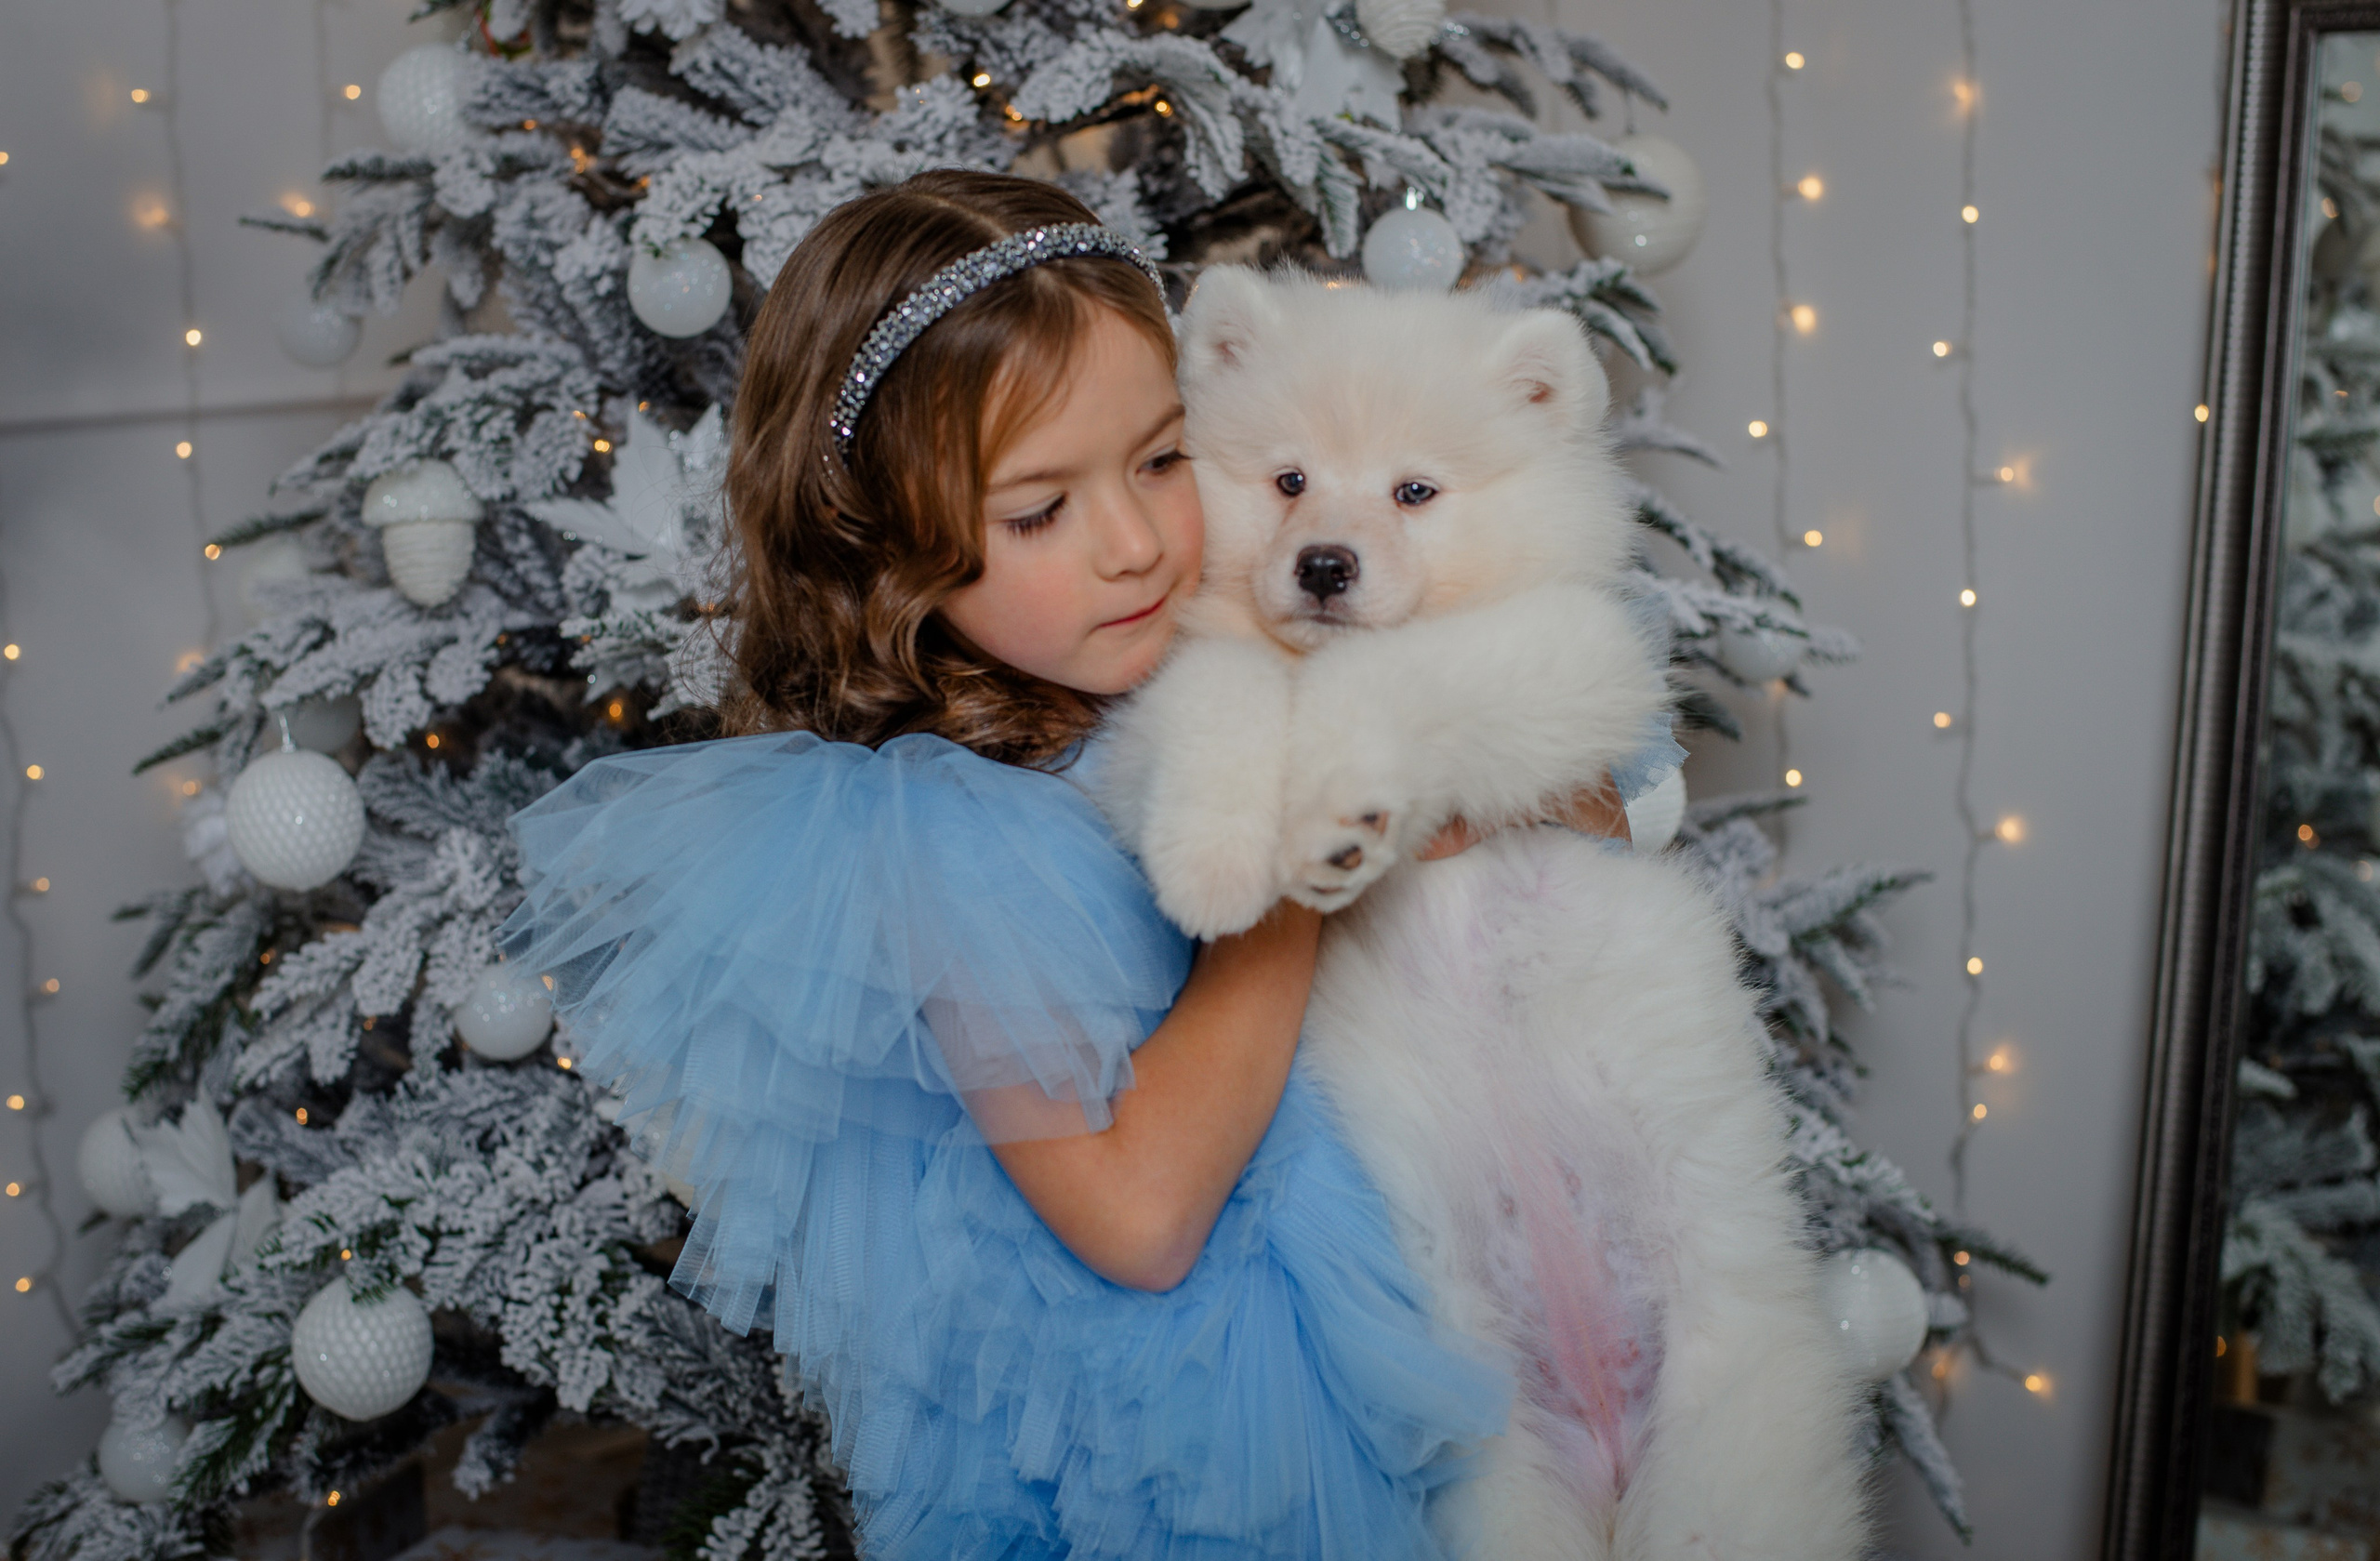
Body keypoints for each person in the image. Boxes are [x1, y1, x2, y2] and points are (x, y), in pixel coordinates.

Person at [500, 169, 1659, 1559]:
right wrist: (1299, 874)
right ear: (890, 546)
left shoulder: (1210, 642)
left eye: (1163, 460)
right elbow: (1139, 1218)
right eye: (1040, 511)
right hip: (1177, 1443)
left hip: (1415, 1341)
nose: (1132, 544)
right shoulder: (940, 835)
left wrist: (1458, 772)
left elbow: (1588, 812)